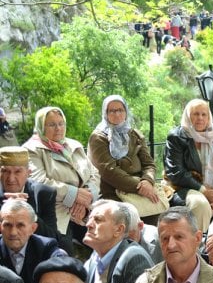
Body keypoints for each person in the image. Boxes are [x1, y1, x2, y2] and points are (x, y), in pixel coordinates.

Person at [23, 106, 100, 235]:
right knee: (65, 251)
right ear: (41, 127)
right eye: (52, 125)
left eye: (61, 123)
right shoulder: (31, 149)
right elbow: (39, 181)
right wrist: (73, 194)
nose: (58, 128)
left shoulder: (74, 145)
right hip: (56, 213)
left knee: (110, 238)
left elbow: (94, 173)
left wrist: (87, 197)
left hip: (86, 208)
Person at [164, 99, 213, 233]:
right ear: (188, 116)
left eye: (204, 114)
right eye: (195, 114)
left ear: (209, 117)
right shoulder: (176, 137)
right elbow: (176, 172)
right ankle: (198, 246)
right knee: (200, 204)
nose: (200, 118)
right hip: (184, 188)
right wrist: (203, 190)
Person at [87, 95, 159, 211]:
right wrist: (139, 186)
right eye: (112, 111)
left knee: (160, 213)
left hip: (141, 187)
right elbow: (109, 171)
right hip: (112, 191)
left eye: (120, 110)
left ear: (126, 111)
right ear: (105, 113)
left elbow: (149, 164)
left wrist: (147, 180)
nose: (117, 114)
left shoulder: (135, 134)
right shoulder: (98, 138)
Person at [0, 146, 63, 248]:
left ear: (28, 173)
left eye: (17, 172)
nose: (11, 179)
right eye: (5, 171)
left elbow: (53, 238)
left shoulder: (43, 193)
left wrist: (29, 213)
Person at [0, 200, 66, 283]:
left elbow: (62, 264)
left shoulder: (45, 247)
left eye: (20, 225)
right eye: (7, 225)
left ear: (33, 228)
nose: (13, 232)